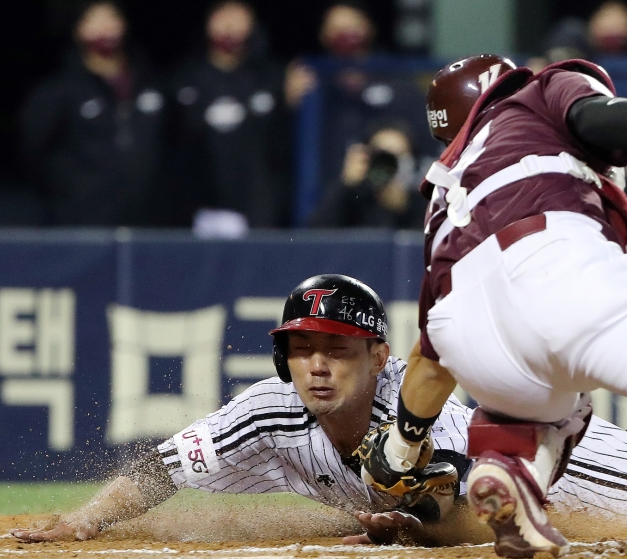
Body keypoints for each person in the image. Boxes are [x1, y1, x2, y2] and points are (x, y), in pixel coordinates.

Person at [11, 275, 627, 547]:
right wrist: (84, 522)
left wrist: (415, 527)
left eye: (337, 348)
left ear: (380, 356)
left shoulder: (417, 409)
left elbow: (462, 503)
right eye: (302, 348)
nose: (318, 365)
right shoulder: (269, 410)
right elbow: (161, 467)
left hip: (587, 472)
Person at [360, 53, 627, 558]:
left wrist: (402, 444)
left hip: (476, 349)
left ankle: (513, 467)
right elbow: (599, 119)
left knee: (564, 404)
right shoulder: (541, 91)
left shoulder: (443, 198)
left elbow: (431, 356)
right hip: (555, 267)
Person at [19, 1, 168, 226]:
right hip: (84, 222)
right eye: (94, 20)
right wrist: (74, 189)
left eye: (111, 18)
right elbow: (31, 148)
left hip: (146, 220)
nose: (105, 28)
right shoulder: (60, 90)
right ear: (78, 29)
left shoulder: (151, 84)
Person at [168, 0, 290, 230]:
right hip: (199, 211)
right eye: (222, 16)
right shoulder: (184, 79)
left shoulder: (273, 78)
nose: (230, 25)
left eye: (238, 16)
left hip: (258, 211)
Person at [309, 122, 430, 228]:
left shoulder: (424, 204)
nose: (388, 164)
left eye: (397, 156)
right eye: (382, 155)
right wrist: (345, 185)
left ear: (412, 161)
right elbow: (313, 239)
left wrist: (404, 209)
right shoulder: (352, 199)